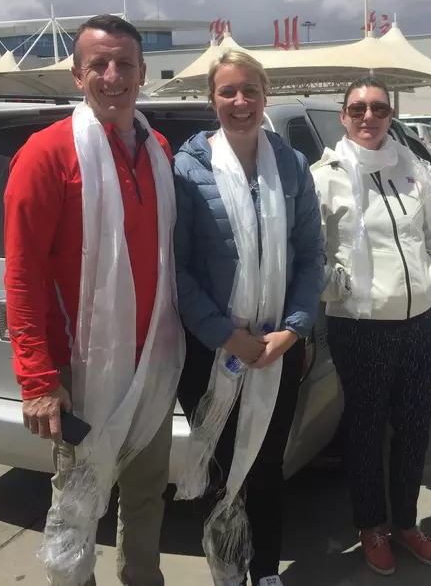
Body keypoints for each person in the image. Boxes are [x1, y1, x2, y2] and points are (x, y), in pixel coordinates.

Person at [4, 14, 183, 586]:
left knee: (146, 493)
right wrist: (36, 380)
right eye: (98, 65)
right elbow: (23, 275)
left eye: (124, 64)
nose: (112, 76)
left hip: (151, 359)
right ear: (77, 74)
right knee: (78, 502)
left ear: (142, 73)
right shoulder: (47, 154)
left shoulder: (157, 148)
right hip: (80, 372)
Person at [173, 50, 325, 586]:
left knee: (264, 466)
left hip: (276, 351)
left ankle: (264, 572)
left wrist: (294, 328)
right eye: (228, 92)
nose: (240, 102)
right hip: (211, 351)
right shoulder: (188, 168)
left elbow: (311, 255)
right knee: (217, 468)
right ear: (212, 98)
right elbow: (178, 268)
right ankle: (226, 571)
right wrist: (226, 335)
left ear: (265, 96)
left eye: (250, 91)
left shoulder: (291, 167)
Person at [312, 76, 431, 577]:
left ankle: (407, 523)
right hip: (361, 324)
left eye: (378, 108)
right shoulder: (324, 176)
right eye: (357, 109)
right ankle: (371, 525)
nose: (368, 117)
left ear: (390, 114)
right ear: (343, 116)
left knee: (415, 427)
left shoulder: (413, 167)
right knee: (367, 429)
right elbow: (311, 256)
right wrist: (341, 288)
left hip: (420, 319)